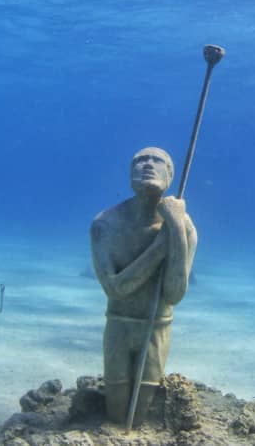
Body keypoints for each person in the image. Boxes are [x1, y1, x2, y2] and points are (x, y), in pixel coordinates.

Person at [89, 146, 197, 426]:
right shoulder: (106, 224)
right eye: (139, 160)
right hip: (119, 325)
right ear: (129, 173)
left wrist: (176, 229)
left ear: (170, 174)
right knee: (116, 414)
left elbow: (174, 295)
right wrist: (163, 244)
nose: (147, 164)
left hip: (157, 328)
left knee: (137, 418)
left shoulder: (184, 226)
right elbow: (115, 289)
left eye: (157, 160)